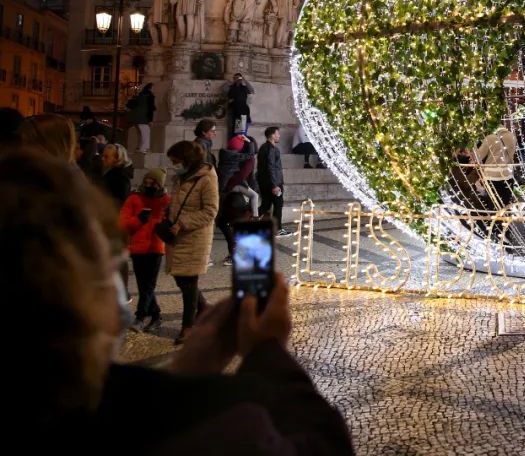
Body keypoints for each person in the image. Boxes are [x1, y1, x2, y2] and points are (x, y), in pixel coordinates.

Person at [0, 148, 353, 454]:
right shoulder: (220, 431)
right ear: (87, 301)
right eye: (106, 259)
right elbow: (324, 444)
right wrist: (267, 349)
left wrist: (189, 372)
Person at [164, 140, 219, 345]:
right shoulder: (181, 176)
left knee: (189, 282)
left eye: (176, 161)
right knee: (181, 278)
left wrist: (183, 222)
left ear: (187, 160)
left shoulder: (207, 178)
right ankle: (205, 310)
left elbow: (210, 211)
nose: (174, 165)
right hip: (178, 234)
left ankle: (188, 327)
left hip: (195, 236)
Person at [119, 167, 171, 332]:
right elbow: (122, 223)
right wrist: (139, 220)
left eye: (153, 181)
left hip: (156, 247)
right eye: (147, 180)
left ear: (159, 184)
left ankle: (140, 317)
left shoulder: (166, 201)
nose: (148, 184)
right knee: (144, 285)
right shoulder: (134, 198)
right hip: (138, 248)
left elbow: (170, 222)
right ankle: (156, 316)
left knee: (148, 285)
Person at [218, 134, 259, 265]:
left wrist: (228, 187)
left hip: (238, 197)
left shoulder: (243, 158)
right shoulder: (239, 157)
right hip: (235, 193)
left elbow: (242, 175)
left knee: (235, 226)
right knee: (227, 224)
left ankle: (236, 255)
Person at [473, 122, 517, 210]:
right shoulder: (512, 136)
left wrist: (474, 145)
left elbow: (477, 157)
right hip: (508, 175)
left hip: (492, 176)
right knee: (505, 204)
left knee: (493, 205)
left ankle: (495, 223)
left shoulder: (490, 138)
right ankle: (505, 222)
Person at [258, 126, 289, 236]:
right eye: (277, 134)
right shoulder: (272, 149)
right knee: (278, 205)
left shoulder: (262, 147)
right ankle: (277, 229)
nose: (279, 136)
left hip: (264, 183)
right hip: (273, 183)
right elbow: (271, 167)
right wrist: (275, 185)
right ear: (272, 135)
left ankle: (248, 221)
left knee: (265, 205)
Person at [98, 143, 134, 208]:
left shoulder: (121, 177)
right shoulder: (112, 173)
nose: (102, 159)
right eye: (102, 156)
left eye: (106, 157)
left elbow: (121, 201)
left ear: (117, 158)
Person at [126, 83, 155, 153]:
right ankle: (144, 148)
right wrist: (150, 120)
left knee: (140, 134)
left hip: (135, 117)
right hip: (142, 117)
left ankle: (138, 147)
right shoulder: (150, 96)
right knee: (146, 132)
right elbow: (150, 109)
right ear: (150, 88)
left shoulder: (141, 95)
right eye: (153, 88)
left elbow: (133, 104)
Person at [227, 72, 254, 137]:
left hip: (243, 112)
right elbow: (223, 90)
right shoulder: (231, 87)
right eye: (236, 78)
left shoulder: (244, 88)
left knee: (241, 132)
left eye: (239, 78)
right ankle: (235, 144)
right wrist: (231, 81)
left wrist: (244, 80)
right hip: (234, 112)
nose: (238, 79)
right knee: (234, 131)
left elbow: (252, 90)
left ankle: (240, 144)